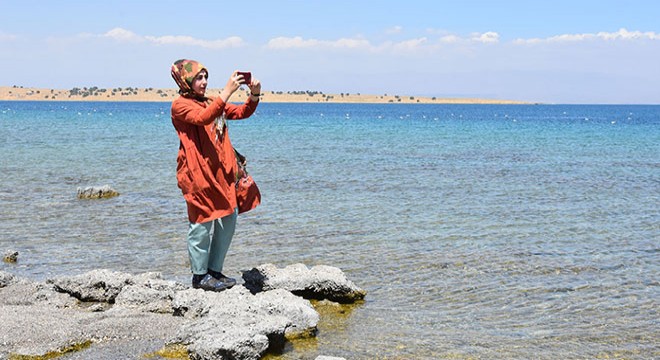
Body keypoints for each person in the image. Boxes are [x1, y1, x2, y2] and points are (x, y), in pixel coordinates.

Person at [170, 59, 261, 291]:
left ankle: (214, 271)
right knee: (201, 223)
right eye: (198, 78)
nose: (203, 82)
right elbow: (203, 118)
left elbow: (241, 112)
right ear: (185, 80)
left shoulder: (211, 101)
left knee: (229, 218)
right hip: (197, 174)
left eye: (205, 77)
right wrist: (226, 92)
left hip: (221, 174)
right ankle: (199, 277)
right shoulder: (179, 105)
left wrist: (254, 96)